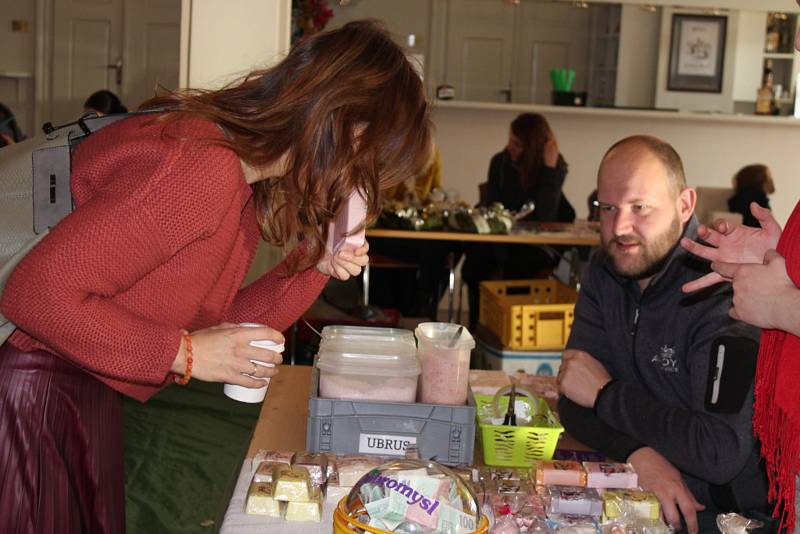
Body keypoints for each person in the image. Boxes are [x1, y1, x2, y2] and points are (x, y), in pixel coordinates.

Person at [0, 20, 431, 533]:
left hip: (74, 382)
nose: (363, 182)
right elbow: (35, 294)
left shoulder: (237, 174)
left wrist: (312, 265)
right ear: (343, 122)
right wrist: (185, 354)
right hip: (34, 388)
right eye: (371, 162)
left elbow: (218, 323)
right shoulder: (200, 169)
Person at [557, 135, 769, 534]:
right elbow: (572, 394)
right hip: (635, 492)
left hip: (723, 517)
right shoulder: (606, 270)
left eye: (640, 207)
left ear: (685, 204)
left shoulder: (725, 290)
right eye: (607, 208)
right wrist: (639, 454)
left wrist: (606, 395)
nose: (620, 227)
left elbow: (719, 452)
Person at [462, 112, 576, 329]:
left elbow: (545, 216)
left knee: (523, 262)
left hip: (534, 245)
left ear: (532, 147)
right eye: (510, 141)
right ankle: (478, 330)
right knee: (475, 262)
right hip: (501, 238)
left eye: (517, 144)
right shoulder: (500, 162)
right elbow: (494, 206)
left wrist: (549, 170)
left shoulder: (553, 168)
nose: (510, 148)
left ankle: (511, 330)